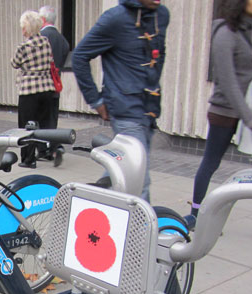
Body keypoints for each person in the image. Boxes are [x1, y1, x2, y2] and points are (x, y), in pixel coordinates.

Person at [186, 0, 252, 241]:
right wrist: (248, 116)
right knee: (211, 162)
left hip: (251, 108)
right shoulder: (225, 32)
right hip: (225, 109)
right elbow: (227, 81)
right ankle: (195, 213)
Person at [72, 0, 170, 202]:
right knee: (138, 183)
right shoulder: (115, 18)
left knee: (119, 175)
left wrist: (152, 87)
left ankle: (90, 212)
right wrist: (96, 100)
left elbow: (160, 54)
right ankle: (141, 232)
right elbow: (79, 56)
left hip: (149, 111)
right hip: (125, 111)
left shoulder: (162, 15)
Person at [11, 10, 56, 169]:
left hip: (29, 90)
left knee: (26, 125)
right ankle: (44, 151)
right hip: (46, 88)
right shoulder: (46, 42)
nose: (22, 30)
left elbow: (14, 63)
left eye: (23, 27)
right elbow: (50, 59)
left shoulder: (23, 47)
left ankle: (28, 159)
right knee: (42, 123)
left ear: (26, 28)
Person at [38, 5, 70, 166]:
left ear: (42, 19)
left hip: (41, 85)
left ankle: (43, 150)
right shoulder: (60, 37)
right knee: (51, 118)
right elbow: (65, 51)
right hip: (56, 83)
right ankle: (55, 146)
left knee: (39, 118)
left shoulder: (41, 37)